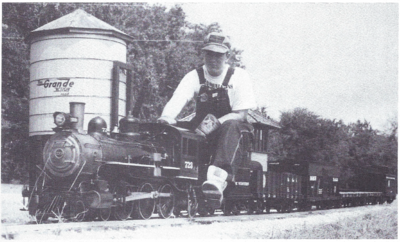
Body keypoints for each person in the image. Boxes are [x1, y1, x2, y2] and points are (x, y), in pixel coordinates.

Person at [158, 32, 257, 208]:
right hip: (203, 128)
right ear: (203, 54)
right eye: (209, 54)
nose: (213, 59)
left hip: (234, 132)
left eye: (218, 55)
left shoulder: (239, 76)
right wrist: (167, 117)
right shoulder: (194, 76)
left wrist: (216, 123)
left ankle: (218, 178)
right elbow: (178, 98)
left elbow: (241, 114)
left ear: (228, 56)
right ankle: (171, 180)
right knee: (176, 129)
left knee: (232, 126)